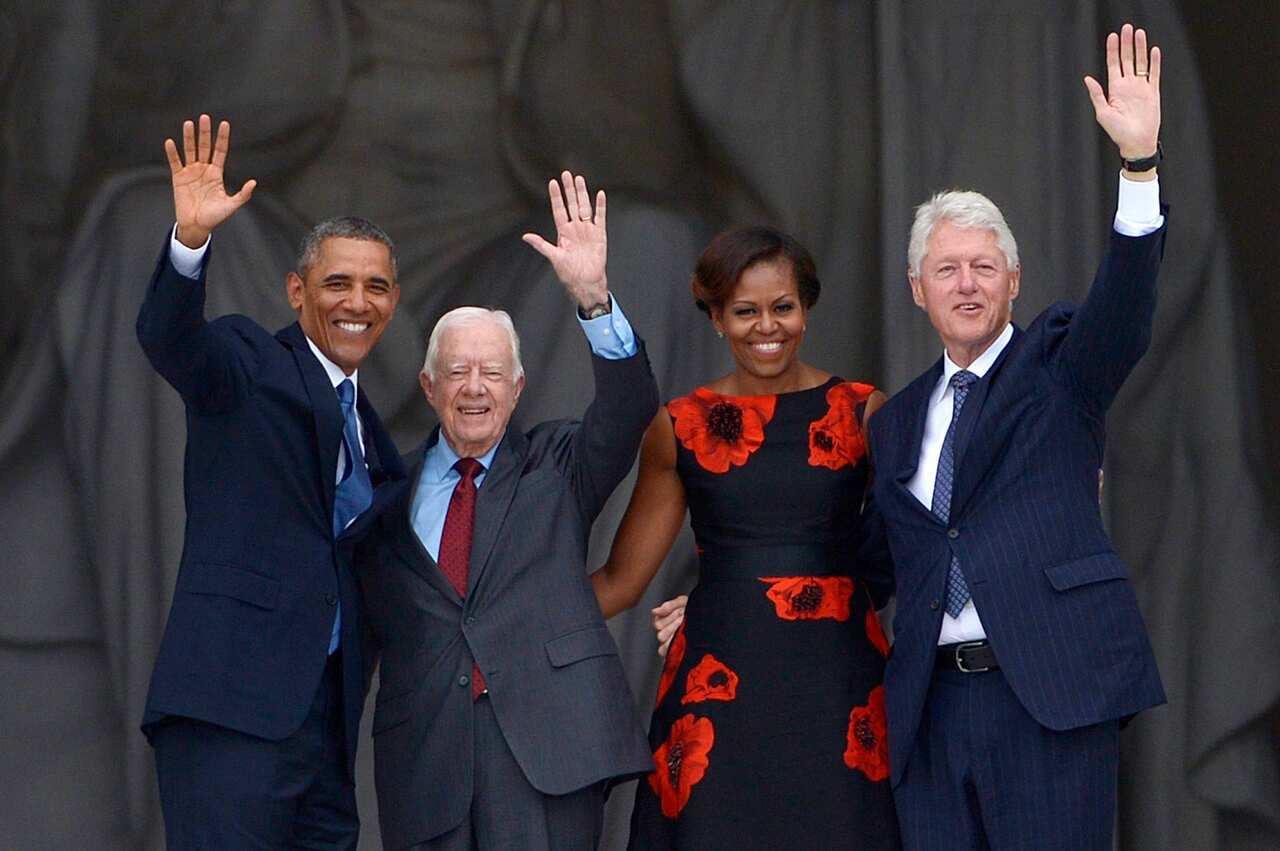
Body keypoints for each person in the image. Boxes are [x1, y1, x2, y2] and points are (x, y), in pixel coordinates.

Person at [864, 24, 1168, 849]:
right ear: (917, 289)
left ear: (1015, 280)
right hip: (931, 711)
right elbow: (867, 564)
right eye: (947, 269)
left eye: (984, 267)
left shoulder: (1060, 364)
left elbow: (1127, 306)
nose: (966, 283)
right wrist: (723, 604)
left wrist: (1138, 166)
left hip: (1049, 691)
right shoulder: (894, 424)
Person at [350, 172, 657, 851]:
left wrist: (594, 299)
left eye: (491, 372)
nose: (475, 388)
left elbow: (628, 409)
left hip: (546, 750)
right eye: (457, 372)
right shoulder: (382, 492)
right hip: (428, 759)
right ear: (429, 387)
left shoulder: (558, 466)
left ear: (518, 389)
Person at [135, 115, 406, 848]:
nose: (358, 301)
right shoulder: (249, 364)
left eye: (376, 286)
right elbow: (171, 339)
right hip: (231, 711)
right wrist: (190, 241)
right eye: (338, 282)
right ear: (296, 290)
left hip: (324, 729)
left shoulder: (374, 436)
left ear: (394, 300)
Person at [590, 225, 900, 848]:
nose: (767, 326)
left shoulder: (864, 411)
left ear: (806, 309)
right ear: (715, 318)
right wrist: (510, 619)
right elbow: (622, 580)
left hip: (839, 684)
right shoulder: (678, 425)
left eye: (782, 307)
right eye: (745, 311)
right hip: (719, 685)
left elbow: (908, 547)